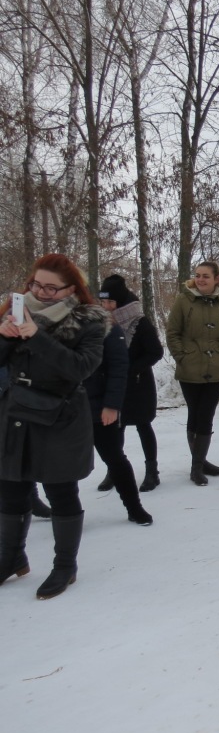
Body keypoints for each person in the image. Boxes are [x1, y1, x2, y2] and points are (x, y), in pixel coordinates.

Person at [0, 253, 107, 599]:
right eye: (36, 284)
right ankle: (11, 557)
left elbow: (79, 368)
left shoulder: (89, 320)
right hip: (16, 414)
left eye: (51, 287)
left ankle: (65, 566)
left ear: (71, 289)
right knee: (12, 488)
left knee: (60, 492)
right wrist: (4, 336)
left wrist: (36, 337)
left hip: (60, 417)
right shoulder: (15, 310)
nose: (41, 292)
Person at [166, 260, 219, 486]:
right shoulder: (183, 300)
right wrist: (183, 356)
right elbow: (173, 333)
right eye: (198, 275)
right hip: (190, 367)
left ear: (217, 279)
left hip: (216, 368)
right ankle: (198, 464)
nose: (200, 279)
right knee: (195, 413)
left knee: (206, 415)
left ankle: (198, 465)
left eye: (205, 276)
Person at [97, 275, 163, 492]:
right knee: (116, 429)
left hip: (138, 385)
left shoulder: (139, 322)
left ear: (121, 302)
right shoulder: (102, 323)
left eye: (110, 302)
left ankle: (152, 471)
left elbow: (155, 351)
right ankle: (114, 471)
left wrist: (131, 369)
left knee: (144, 426)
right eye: (103, 302)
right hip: (113, 385)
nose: (106, 307)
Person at [84, 322, 153, 526]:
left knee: (114, 457)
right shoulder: (36, 321)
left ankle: (134, 507)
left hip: (98, 405)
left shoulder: (100, 324)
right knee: (60, 464)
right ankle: (65, 514)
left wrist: (112, 404)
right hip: (58, 408)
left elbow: (118, 366)